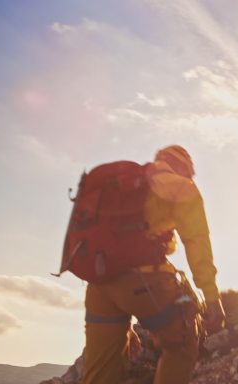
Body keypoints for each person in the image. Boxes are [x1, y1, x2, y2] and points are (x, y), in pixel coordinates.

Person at [82, 145, 226, 384]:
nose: (190, 177)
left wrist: (122, 325)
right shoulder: (180, 186)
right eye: (190, 172)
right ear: (181, 166)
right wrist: (211, 296)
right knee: (183, 342)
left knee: (100, 371)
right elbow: (196, 242)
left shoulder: (123, 187)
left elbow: (100, 246)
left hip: (99, 287)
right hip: (144, 280)